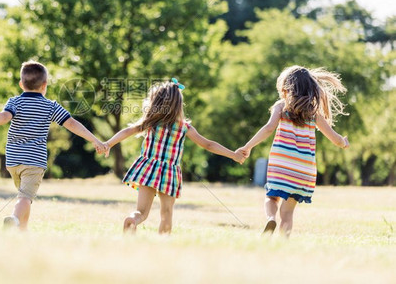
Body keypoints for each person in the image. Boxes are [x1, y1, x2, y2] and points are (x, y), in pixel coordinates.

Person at [0, 61, 107, 230]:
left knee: (25, 197)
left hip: (13, 161)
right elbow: (72, 124)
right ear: (44, 86)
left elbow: (3, 117)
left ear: (21, 84)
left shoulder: (14, 102)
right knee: (25, 198)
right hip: (34, 162)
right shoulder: (50, 106)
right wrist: (95, 140)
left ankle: (23, 231)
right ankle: (14, 218)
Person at [104, 78, 245, 234]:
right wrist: (233, 155)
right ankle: (164, 243)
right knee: (166, 213)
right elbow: (208, 145)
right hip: (169, 173)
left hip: (148, 168)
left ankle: (133, 219)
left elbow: (127, 131)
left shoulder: (150, 122)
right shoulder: (185, 128)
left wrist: (108, 144)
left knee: (142, 212)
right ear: (178, 105)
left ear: (155, 102)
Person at [237, 66, 350, 237]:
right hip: (303, 170)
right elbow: (335, 138)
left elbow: (268, 129)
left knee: (271, 197)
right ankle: (284, 243)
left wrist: (247, 147)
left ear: (286, 88)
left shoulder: (281, 106)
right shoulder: (315, 113)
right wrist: (344, 143)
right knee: (288, 213)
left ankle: (270, 219)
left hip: (281, 164)